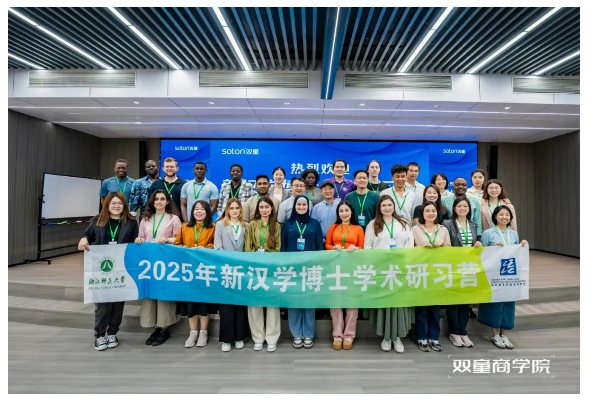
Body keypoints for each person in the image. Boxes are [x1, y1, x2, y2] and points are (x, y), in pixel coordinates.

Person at [78, 192, 139, 351]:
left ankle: (112, 333)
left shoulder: (131, 222)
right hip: (102, 269)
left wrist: (138, 240)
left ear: (124, 205)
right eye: (113, 203)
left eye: (120, 203)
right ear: (107, 205)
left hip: (122, 268)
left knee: (118, 304)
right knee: (103, 304)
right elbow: (87, 235)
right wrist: (84, 239)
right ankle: (99, 335)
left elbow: (135, 240)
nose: (116, 206)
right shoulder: (97, 220)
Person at [363, 195, 414, 353]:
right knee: (384, 303)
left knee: (398, 303)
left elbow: (410, 245)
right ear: (379, 207)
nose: (387, 208)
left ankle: (397, 337)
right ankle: (386, 337)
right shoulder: (373, 224)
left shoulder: (404, 223)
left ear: (394, 207)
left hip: (399, 269)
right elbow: (367, 246)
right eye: (384, 205)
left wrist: (404, 262)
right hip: (381, 269)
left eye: (389, 205)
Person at [134, 190, 182, 346]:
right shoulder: (145, 219)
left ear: (167, 201)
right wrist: (139, 240)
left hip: (166, 263)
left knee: (163, 294)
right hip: (148, 263)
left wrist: (168, 239)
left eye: (162, 199)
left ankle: (164, 328)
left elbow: (179, 240)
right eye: (156, 199)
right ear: (152, 202)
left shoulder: (174, 218)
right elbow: (141, 237)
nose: (159, 201)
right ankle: (155, 327)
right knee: (150, 294)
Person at [479, 205, 528, 350]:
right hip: (493, 273)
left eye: (507, 215)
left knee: (508, 303)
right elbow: (481, 253)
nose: (504, 217)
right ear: (495, 216)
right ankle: (495, 334)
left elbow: (516, 252)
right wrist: (492, 247)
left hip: (510, 273)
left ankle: (504, 333)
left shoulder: (513, 234)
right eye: (501, 214)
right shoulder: (487, 233)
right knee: (494, 304)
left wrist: (522, 246)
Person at [281, 196, 324, 349]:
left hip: (310, 269)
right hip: (292, 270)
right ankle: (296, 334)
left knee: (309, 303)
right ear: (294, 206)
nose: (301, 207)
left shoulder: (315, 224)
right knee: (294, 302)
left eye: (304, 204)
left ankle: (308, 334)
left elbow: (320, 248)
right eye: (298, 204)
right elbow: (283, 248)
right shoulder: (287, 224)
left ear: (308, 207)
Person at [174, 200, 217, 349]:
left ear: (208, 212)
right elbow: (177, 244)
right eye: (196, 209)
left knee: (204, 302)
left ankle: (204, 331)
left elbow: (216, 245)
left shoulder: (213, 227)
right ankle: (193, 332)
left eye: (202, 209)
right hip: (189, 271)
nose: (199, 211)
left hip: (206, 270)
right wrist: (186, 248)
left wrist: (205, 248)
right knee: (191, 302)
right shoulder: (185, 227)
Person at [442, 197, 483, 348]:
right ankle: (454, 332)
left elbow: (472, 243)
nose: (463, 208)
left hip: (468, 267)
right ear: (454, 208)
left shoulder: (473, 225)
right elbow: (446, 242)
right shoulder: (447, 224)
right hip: (453, 267)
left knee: (466, 302)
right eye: (459, 206)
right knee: (454, 301)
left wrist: (478, 244)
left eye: (465, 206)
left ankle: (463, 332)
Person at [411, 201, 452, 352]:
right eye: (427, 211)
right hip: (420, 272)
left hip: (437, 273)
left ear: (437, 213)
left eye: (433, 211)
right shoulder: (415, 229)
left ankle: (434, 337)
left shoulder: (443, 229)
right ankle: (421, 337)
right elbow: (409, 249)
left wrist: (443, 245)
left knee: (435, 308)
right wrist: (421, 247)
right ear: (422, 213)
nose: (430, 213)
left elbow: (450, 250)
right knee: (421, 308)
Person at [324, 201, 364, 350]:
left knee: (352, 303)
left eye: (347, 210)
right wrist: (334, 247)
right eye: (341, 211)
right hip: (335, 268)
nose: (344, 213)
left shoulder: (358, 228)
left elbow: (363, 247)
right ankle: (337, 335)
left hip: (353, 269)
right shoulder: (333, 227)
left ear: (351, 212)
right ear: (338, 213)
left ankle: (349, 336)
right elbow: (326, 245)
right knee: (336, 303)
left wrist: (356, 248)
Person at [244, 197, 282, 352]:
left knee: (272, 304)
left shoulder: (277, 226)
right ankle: (258, 337)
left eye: (267, 207)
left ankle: (272, 338)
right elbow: (247, 247)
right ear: (257, 209)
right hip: (254, 269)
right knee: (255, 304)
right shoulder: (252, 225)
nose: (264, 210)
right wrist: (255, 259)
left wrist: (266, 257)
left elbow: (278, 248)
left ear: (272, 209)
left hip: (271, 269)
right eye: (261, 207)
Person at [214, 198, 249, 352]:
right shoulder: (220, 225)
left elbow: (247, 248)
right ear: (227, 210)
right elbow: (218, 247)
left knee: (240, 304)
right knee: (226, 305)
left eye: (237, 208)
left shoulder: (246, 225)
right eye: (232, 208)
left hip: (241, 270)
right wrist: (228, 261)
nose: (234, 211)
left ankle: (239, 337)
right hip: (226, 269)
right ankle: (227, 339)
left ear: (241, 210)